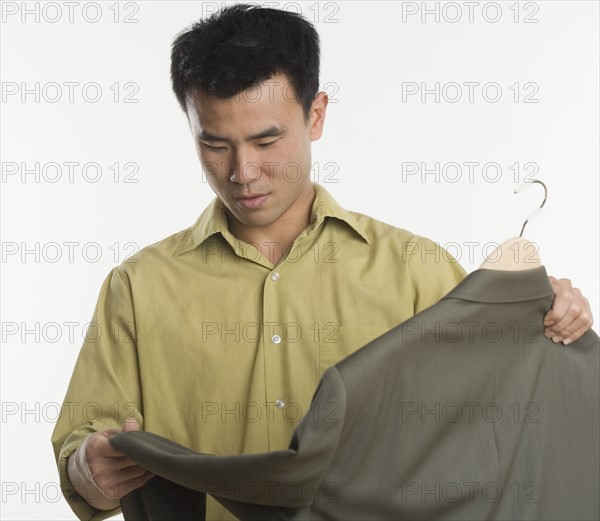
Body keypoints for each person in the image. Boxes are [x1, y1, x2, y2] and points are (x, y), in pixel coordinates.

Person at [50, 4, 595, 521]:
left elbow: (496, 416)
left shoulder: (417, 271)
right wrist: (90, 469)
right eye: (215, 144)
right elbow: (83, 444)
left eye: (267, 140)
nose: (243, 171)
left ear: (316, 115)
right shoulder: (137, 287)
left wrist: (544, 320)